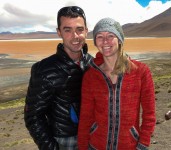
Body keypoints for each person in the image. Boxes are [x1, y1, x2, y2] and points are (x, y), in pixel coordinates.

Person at [78, 17, 156, 150]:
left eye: (110, 35)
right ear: (96, 42)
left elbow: (149, 114)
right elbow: (86, 117)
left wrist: (143, 144)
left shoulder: (140, 72)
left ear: (119, 40)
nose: (105, 41)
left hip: (129, 146)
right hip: (96, 145)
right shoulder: (90, 76)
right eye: (100, 37)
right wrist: (82, 147)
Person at [24, 6, 92, 150]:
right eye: (68, 30)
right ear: (59, 32)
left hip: (94, 136)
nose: (75, 36)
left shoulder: (94, 64)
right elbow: (33, 116)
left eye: (79, 29)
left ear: (86, 31)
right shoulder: (44, 69)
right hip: (65, 141)